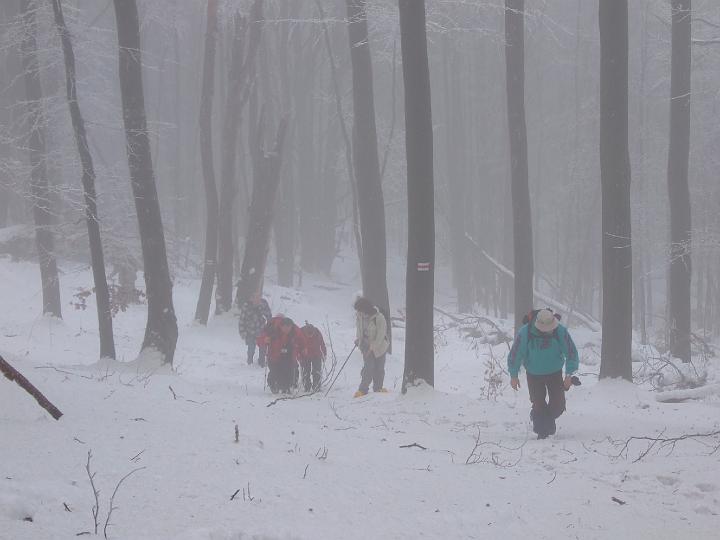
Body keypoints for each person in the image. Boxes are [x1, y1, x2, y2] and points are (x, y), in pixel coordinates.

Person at [507, 308, 579, 439]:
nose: (549, 331)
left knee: (558, 406)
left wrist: (569, 375)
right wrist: (513, 375)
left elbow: (571, 353)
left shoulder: (560, 331)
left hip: (555, 372)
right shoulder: (525, 333)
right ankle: (542, 431)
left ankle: (539, 418)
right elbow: (515, 354)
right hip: (533, 374)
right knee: (538, 404)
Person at [258, 316, 307, 394]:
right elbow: (259, 339)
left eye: (289, 327)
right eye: (285, 327)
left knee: (289, 370)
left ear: (291, 326)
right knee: (275, 371)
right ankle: (273, 385)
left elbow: (302, 339)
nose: (287, 329)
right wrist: (264, 340)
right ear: (281, 326)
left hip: (289, 353)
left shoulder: (295, 330)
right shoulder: (272, 329)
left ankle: (286, 388)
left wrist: (304, 348)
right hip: (274, 354)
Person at [353, 297, 390, 397]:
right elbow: (359, 329)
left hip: (380, 346)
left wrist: (372, 347)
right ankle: (363, 389)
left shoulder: (379, 317)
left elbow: (381, 334)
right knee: (368, 367)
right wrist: (359, 339)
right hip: (365, 345)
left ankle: (378, 388)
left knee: (379, 368)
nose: (358, 312)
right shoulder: (359, 317)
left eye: (360, 310)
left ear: (365, 308)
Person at [238, 294, 272, 366]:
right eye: (254, 297)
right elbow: (242, 320)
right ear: (251, 298)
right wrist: (242, 332)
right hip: (250, 330)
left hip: (262, 330)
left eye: (258, 297)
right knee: (251, 348)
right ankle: (249, 361)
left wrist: (269, 329)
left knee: (263, 348)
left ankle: (261, 362)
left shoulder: (264, 304)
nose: (256, 299)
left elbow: (269, 316)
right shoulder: (246, 306)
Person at [300, 323, 327, 392]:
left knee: (316, 371)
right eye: (308, 335)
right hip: (304, 356)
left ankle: (316, 386)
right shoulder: (300, 333)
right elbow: (296, 344)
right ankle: (307, 387)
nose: (310, 336)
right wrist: (298, 355)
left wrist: (324, 354)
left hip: (316, 354)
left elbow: (322, 344)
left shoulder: (317, 333)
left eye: (311, 334)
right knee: (305, 372)